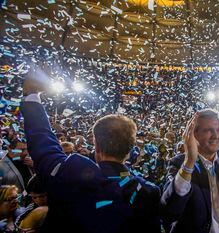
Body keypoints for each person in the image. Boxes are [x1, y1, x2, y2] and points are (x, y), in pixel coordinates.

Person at [20, 75, 161, 233]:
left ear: (96, 145)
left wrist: (32, 95)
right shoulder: (147, 192)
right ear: (129, 151)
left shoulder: (68, 171)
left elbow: (42, 143)